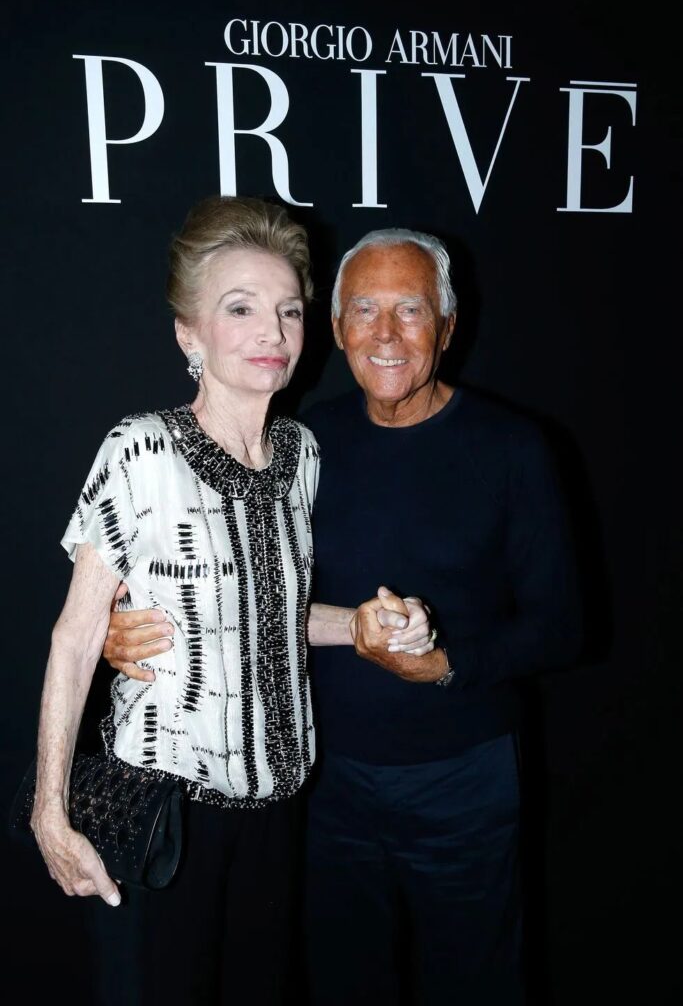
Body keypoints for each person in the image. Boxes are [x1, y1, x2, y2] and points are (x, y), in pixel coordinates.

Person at [103, 227, 581, 1005]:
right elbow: (244, 595)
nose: (385, 335)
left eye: (410, 311)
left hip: (460, 783)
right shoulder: (301, 445)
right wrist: (135, 630)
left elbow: (562, 625)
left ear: (448, 328)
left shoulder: (511, 448)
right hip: (322, 787)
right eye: (362, 309)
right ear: (334, 329)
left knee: (476, 984)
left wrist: (450, 662)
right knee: (339, 984)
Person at [29, 198, 431, 1006]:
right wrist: (50, 811)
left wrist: (360, 624)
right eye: (239, 310)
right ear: (189, 334)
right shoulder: (140, 449)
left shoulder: (301, 453)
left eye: (287, 311)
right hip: (162, 810)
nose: (272, 334)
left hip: (277, 812)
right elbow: (75, 637)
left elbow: (273, 618)